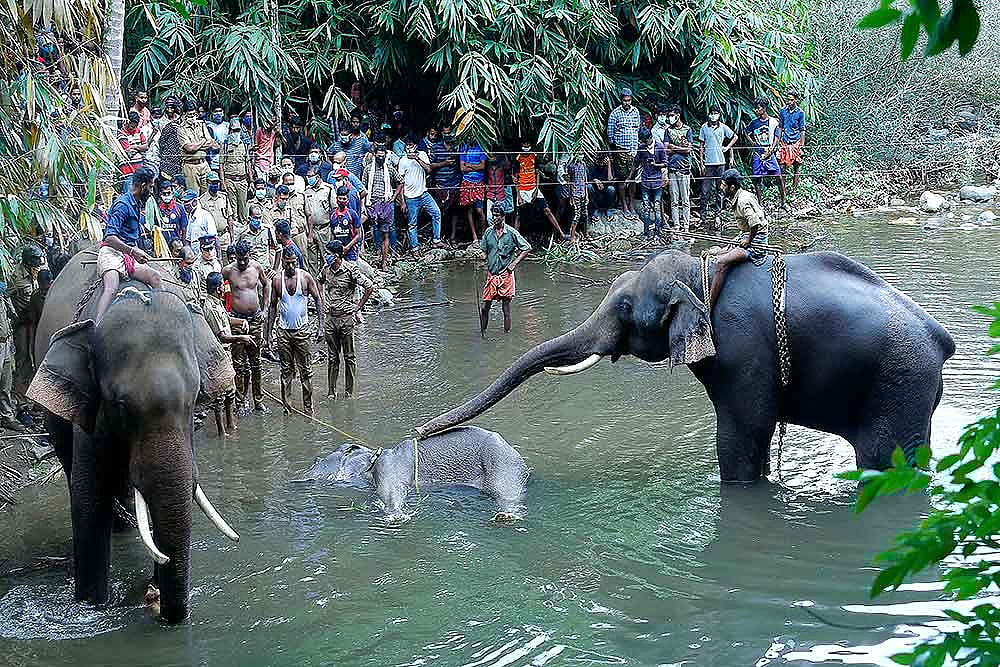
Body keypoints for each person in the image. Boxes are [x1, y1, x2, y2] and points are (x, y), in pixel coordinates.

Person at [93, 166, 162, 324]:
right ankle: (97, 326)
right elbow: (109, 237)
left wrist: (134, 251)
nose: (152, 191)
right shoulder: (123, 205)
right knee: (111, 288)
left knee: (155, 277)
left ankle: (159, 317)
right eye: (151, 187)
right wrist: (132, 250)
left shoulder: (137, 203)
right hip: (112, 253)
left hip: (128, 255)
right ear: (143, 185)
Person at [266, 247, 323, 415]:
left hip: (302, 331)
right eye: (287, 263)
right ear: (282, 261)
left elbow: (318, 299)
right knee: (286, 370)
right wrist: (268, 334)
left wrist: (321, 326)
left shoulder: (305, 277)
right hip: (283, 332)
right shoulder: (277, 280)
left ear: (296, 261)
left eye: (293, 263)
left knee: (306, 370)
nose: (290, 266)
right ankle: (287, 408)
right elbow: (272, 308)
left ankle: (308, 408)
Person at [203, 271, 255, 436]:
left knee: (230, 391)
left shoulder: (217, 303)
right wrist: (242, 338)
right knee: (219, 395)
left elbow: (226, 319)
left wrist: (241, 321)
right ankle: (221, 431)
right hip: (216, 355)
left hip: (226, 354)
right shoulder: (209, 307)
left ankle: (231, 424)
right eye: (223, 286)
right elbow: (223, 336)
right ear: (218, 288)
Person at [319, 240, 373, 399]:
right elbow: (319, 281)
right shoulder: (326, 269)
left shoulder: (350, 270)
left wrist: (357, 307)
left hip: (346, 319)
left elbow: (369, 286)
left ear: (336, 255)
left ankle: (349, 393)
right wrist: (323, 300)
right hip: (330, 318)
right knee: (332, 356)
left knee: (349, 357)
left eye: (328, 254)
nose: (325, 256)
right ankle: (331, 392)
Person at [708, 169, 769, 308]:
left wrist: (748, 241)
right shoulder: (741, 194)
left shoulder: (743, 201)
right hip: (746, 235)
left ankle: (709, 306)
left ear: (732, 187)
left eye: (724, 185)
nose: (721, 187)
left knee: (721, 262)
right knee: (719, 251)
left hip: (756, 242)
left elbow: (755, 224)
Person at [223, 240, 271, 412]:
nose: (242, 262)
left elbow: (266, 285)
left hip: (256, 319)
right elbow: (219, 292)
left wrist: (265, 310)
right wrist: (225, 314)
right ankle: (240, 401)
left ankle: (258, 400)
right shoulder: (228, 270)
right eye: (239, 259)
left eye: (245, 258)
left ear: (249, 255)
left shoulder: (257, 268)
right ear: (235, 256)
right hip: (237, 321)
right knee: (238, 363)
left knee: (256, 362)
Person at [480, 202, 531, 335]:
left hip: (506, 274)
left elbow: (526, 248)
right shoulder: (488, 232)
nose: (494, 218)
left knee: (506, 309)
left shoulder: (512, 233)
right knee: (484, 307)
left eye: (497, 215)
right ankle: (483, 333)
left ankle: (506, 335)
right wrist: (480, 256)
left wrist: (514, 264)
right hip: (492, 274)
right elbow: (484, 251)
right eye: (493, 215)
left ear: (503, 216)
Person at [8, 246, 43, 403]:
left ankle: (31, 400)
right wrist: (14, 317)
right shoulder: (16, 276)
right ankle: (19, 400)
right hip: (22, 324)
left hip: (35, 323)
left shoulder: (38, 272)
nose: (39, 263)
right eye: (36, 260)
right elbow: (6, 296)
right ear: (28, 261)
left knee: (35, 360)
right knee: (23, 362)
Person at [513, 140, 567, 239]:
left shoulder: (534, 156)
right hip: (522, 189)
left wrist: (536, 189)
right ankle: (515, 240)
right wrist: (519, 196)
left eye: (528, 144)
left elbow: (537, 173)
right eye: (524, 144)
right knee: (518, 216)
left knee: (547, 210)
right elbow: (516, 179)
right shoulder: (518, 158)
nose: (526, 146)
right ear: (521, 146)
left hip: (533, 188)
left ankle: (561, 234)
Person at [398, 135, 443, 252]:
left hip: (423, 193)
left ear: (415, 146)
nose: (408, 148)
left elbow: (428, 169)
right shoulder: (402, 161)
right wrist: (402, 201)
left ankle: (436, 240)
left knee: (436, 213)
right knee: (412, 224)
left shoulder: (422, 154)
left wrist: (416, 158)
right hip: (410, 197)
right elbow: (400, 183)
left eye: (411, 146)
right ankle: (415, 248)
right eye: (407, 146)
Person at [362, 142, 401, 270]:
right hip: (372, 203)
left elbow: (400, 181)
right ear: (374, 155)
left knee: (386, 233)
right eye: (378, 155)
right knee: (374, 230)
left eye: (382, 156)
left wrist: (394, 198)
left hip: (386, 204)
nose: (380, 158)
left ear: (385, 156)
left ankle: (384, 262)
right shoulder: (368, 168)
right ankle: (377, 254)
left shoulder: (389, 168)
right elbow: (363, 187)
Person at [699, 105, 738, 229]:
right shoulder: (704, 127)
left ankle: (718, 216)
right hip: (708, 163)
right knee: (705, 191)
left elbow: (734, 136)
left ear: (719, 115)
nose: (713, 115)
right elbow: (701, 145)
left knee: (720, 190)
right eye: (712, 113)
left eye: (716, 113)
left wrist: (727, 148)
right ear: (709, 114)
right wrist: (701, 162)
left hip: (720, 162)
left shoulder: (723, 127)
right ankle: (702, 217)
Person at [745, 98, 787, 210]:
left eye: (758, 108)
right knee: (757, 179)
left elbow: (777, 137)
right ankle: (760, 204)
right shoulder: (754, 123)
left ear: (764, 108)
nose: (756, 110)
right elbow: (746, 132)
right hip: (758, 154)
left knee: (778, 177)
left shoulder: (774, 122)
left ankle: (783, 202)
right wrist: (753, 143)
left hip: (770, 153)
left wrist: (771, 150)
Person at [606, 87, 641, 214]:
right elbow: (610, 135)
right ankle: (624, 205)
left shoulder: (635, 111)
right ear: (621, 100)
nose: (627, 103)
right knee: (622, 178)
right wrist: (616, 149)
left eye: (629, 100)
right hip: (621, 151)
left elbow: (637, 128)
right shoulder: (615, 114)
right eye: (625, 100)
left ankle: (632, 204)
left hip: (634, 150)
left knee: (632, 179)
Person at [632, 127, 667, 240]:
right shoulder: (641, 148)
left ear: (649, 138)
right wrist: (629, 177)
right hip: (645, 182)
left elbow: (665, 163)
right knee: (646, 208)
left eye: (644, 141)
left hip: (657, 182)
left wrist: (656, 165)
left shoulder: (660, 147)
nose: (643, 143)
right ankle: (646, 233)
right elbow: (635, 163)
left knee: (657, 208)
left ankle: (657, 233)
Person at [178, 99, 219, 195]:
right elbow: (189, 148)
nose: (192, 117)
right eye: (189, 115)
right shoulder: (181, 129)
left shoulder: (201, 124)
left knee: (208, 195)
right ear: (184, 114)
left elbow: (211, 143)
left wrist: (197, 145)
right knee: (194, 195)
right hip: (190, 166)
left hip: (204, 164)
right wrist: (203, 141)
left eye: (193, 114)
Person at [220, 110, 253, 224]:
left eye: (238, 130)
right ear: (230, 131)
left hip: (243, 180)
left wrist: (251, 180)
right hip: (230, 180)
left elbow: (247, 163)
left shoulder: (244, 145)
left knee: (243, 207)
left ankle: (244, 225)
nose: (236, 133)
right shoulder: (224, 146)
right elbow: (221, 165)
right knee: (232, 208)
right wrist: (223, 182)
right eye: (234, 131)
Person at [664, 105, 693, 232]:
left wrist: (673, 147)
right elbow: (666, 149)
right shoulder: (668, 130)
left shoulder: (687, 129)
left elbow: (688, 150)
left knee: (685, 199)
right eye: (669, 115)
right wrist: (680, 148)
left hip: (685, 168)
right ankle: (676, 225)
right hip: (672, 168)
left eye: (671, 115)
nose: (670, 118)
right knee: (674, 199)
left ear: (678, 115)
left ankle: (686, 226)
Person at [0, 286, 25, 432]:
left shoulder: (3, 295)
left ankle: (7, 417)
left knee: (6, 384)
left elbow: (13, 317)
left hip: (6, 342)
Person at [304, 166, 335, 271]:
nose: (308, 178)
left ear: (317, 177)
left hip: (324, 229)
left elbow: (334, 209)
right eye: (307, 176)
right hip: (311, 230)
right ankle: (314, 282)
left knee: (325, 257)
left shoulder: (328, 189)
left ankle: (325, 282)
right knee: (311, 259)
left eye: (310, 176)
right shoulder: (307, 191)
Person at [459, 138, 487, 242]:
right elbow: (462, 168)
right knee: (470, 210)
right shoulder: (464, 147)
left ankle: (483, 234)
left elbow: (483, 166)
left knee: (479, 211)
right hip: (467, 181)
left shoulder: (481, 147)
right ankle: (474, 236)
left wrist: (469, 165)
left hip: (479, 182)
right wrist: (477, 166)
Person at [778, 90, 806, 191]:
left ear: (796, 100)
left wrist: (801, 146)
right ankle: (783, 191)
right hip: (785, 141)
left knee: (796, 166)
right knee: (782, 167)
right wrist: (777, 142)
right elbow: (780, 127)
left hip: (795, 142)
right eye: (788, 100)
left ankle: (794, 190)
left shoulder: (800, 113)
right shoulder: (783, 111)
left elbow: (802, 129)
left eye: (791, 100)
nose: (789, 102)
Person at [237, 203, 278, 271]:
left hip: (266, 269)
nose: (258, 220)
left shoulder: (267, 230)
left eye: (260, 218)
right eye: (256, 218)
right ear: (250, 218)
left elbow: (278, 249)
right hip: (250, 270)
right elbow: (238, 252)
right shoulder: (243, 234)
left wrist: (274, 269)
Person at [329, 186, 363, 262]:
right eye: (340, 198)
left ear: (348, 200)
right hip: (337, 251)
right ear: (336, 199)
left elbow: (358, 235)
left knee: (352, 271)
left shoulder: (352, 214)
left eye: (344, 199)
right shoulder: (332, 214)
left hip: (351, 250)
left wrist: (347, 247)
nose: (341, 201)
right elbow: (332, 233)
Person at [118, 111, 150, 192]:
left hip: (139, 169)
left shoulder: (139, 131)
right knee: (128, 194)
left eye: (135, 126)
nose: (133, 128)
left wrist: (134, 146)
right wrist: (140, 148)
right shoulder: (121, 134)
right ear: (127, 122)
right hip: (127, 171)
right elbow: (128, 152)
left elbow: (146, 147)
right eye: (131, 125)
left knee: (139, 193)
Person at [200, 172, 233, 247]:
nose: (215, 185)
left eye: (217, 182)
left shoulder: (224, 197)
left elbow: (230, 218)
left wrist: (232, 238)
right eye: (213, 182)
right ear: (207, 183)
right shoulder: (202, 201)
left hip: (224, 237)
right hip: (210, 239)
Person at [152, 178, 187, 247]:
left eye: (168, 193)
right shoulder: (156, 209)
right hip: (162, 246)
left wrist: (184, 245)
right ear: (160, 194)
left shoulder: (180, 208)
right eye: (164, 193)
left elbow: (184, 229)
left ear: (172, 193)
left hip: (177, 246)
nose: (166, 195)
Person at [337, 112, 372, 179]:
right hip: (341, 174)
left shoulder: (363, 138)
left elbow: (370, 150)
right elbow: (331, 151)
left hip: (356, 175)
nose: (355, 124)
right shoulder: (344, 136)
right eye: (353, 122)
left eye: (357, 122)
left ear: (360, 123)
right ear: (350, 122)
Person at [157, 95, 183, 179]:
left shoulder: (182, 121)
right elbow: (161, 141)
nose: (169, 110)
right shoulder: (161, 122)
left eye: (172, 107)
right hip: (167, 157)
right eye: (167, 107)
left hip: (181, 156)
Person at [565, 154, 589, 239]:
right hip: (575, 193)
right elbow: (569, 182)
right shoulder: (571, 166)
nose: (581, 155)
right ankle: (572, 236)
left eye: (582, 153)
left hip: (583, 192)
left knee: (585, 214)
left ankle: (586, 234)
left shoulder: (583, 164)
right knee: (577, 215)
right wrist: (571, 196)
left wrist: (587, 195)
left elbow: (585, 181)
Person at [587, 152, 616, 220]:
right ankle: (595, 210)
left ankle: (609, 210)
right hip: (595, 196)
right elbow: (587, 181)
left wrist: (609, 165)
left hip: (606, 196)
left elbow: (610, 179)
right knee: (589, 187)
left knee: (611, 189)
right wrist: (595, 180)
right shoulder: (592, 167)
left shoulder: (608, 168)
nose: (601, 163)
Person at [205, 102, 229, 175]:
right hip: (214, 163)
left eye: (220, 111)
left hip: (227, 163)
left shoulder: (228, 126)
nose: (218, 113)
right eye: (216, 111)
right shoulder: (208, 126)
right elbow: (212, 146)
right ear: (212, 113)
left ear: (223, 112)